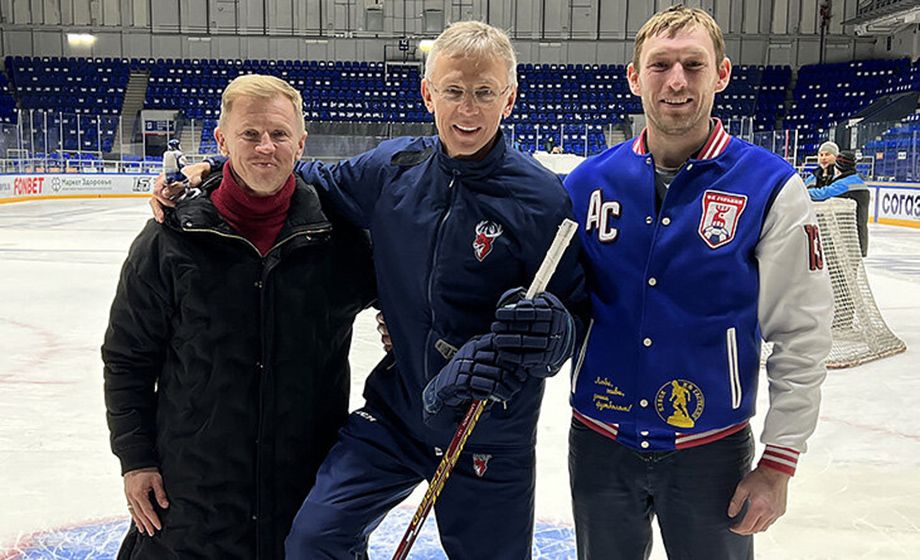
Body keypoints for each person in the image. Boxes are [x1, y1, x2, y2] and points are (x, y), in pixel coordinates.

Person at [152, 21, 584, 560]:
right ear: (428, 93)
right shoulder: (392, 169)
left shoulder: (543, 199)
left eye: (483, 93)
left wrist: (549, 333)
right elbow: (302, 175)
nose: (467, 109)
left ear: (510, 98)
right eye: (452, 91)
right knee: (315, 540)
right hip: (398, 414)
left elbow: (572, 314)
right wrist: (218, 168)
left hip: (486, 435)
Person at [563, 6, 834, 560]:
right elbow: (554, 298)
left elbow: (801, 332)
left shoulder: (769, 186)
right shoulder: (587, 183)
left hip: (711, 451)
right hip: (598, 444)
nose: (677, 80)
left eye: (693, 64)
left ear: (722, 74)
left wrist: (780, 460)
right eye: (660, 64)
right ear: (635, 77)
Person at [103, 74, 375, 559]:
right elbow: (128, 358)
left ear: (301, 142)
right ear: (222, 139)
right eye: (250, 134)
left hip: (304, 490)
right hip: (191, 499)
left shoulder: (341, 241)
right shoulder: (169, 241)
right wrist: (135, 458)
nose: (265, 147)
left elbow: (412, 300)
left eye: (279, 134)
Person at [808, 150, 870, 256]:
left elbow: (822, 194)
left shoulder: (845, 184)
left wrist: (800, 190)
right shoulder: (856, 180)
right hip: (855, 239)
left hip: (847, 243)